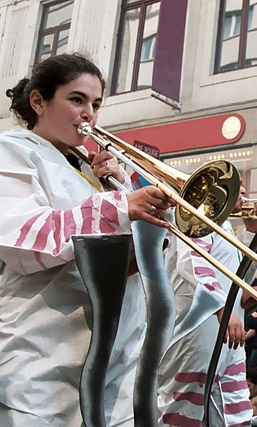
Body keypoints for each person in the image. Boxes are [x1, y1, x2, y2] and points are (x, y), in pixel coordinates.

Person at [0, 53, 175, 425]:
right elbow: (23, 242)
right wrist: (117, 206)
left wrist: (146, 214)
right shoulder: (12, 150)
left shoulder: (87, 171)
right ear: (39, 101)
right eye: (76, 100)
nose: (89, 114)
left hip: (115, 364)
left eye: (95, 104)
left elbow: (130, 262)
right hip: (43, 357)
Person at [157, 185, 257, 426]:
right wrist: (222, 307)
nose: (243, 191)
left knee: (237, 417)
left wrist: (254, 233)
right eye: (237, 185)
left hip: (228, 340)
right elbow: (191, 262)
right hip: (197, 335)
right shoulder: (198, 217)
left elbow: (242, 278)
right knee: (181, 415)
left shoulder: (225, 227)